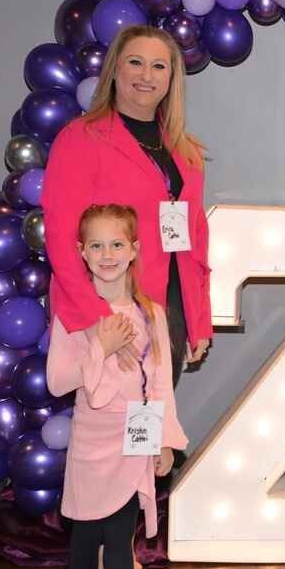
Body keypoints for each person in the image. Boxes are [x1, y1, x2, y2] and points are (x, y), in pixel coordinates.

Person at [42, 25, 212, 388]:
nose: (146, 75)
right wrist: (99, 320)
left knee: (151, 425)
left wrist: (198, 320)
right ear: (115, 69)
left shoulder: (187, 153)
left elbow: (195, 242)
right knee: (107, 431)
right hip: (107, 312)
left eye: (159, 66)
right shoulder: (80, 139)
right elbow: (61, 239)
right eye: (135, 62)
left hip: (169, 312)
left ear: (171, 78)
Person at [47, 204, 188, 569]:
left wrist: (164, 441)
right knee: (86, 539)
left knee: (121, 538)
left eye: (116, 245)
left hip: (134, 442)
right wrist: (101, 347)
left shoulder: (152, 314)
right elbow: (57, 382)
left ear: (134, 249)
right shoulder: (71, 315)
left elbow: (159, 385)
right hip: (91, 447)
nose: (107, 255)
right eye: (96, 246)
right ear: (81, 251)